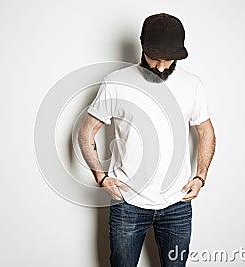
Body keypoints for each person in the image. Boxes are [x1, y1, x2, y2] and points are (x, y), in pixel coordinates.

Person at [78, 13, 216, 267]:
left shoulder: (192, 85)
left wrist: (200, 178)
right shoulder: (116, 83)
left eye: (168, 59)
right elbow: (86, 131)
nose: (162, 66)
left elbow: (206, 131)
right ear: (142, 46)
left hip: (177, 204)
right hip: (128, 204)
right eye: (155, 58)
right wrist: (101, 176)